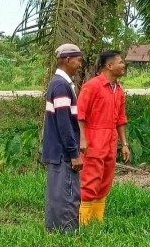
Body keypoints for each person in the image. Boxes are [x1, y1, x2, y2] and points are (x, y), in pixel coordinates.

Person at [76, 50, 130, 224]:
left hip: (111, 140)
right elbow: (80, 115)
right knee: (90, 178)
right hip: (94, 139)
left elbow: (121, 119)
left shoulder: (119, 90)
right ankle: (83, 222)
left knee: (105, 179)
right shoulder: (91, 86)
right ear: (109, 66)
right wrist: (83, 139)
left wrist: (125, 144)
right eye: (120, 62)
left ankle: (97, 222)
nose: (124, 65)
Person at [42, 43, 84, 233]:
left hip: (56, 152)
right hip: (62, 154)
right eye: (78, 60)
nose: (80, 64)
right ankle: (66, 234)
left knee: (57, 195)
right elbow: (64, 123)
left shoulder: (59, 83)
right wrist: (73, 152)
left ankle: (55, 232)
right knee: (67, 195)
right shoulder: (61, 85)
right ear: (68, 60)